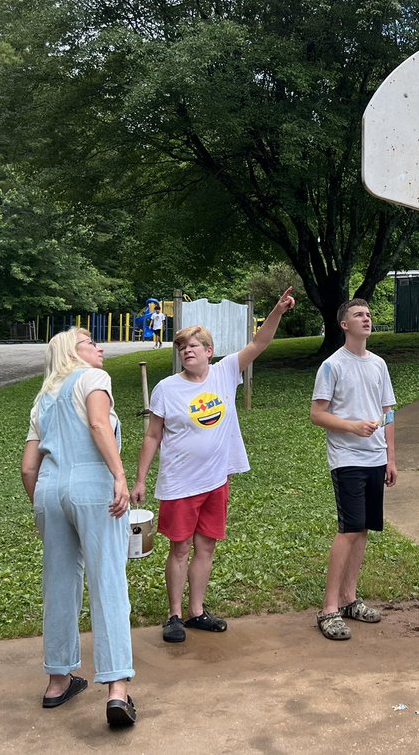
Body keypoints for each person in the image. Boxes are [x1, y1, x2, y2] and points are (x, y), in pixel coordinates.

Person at [131, 287, 296, 643]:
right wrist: (140, 479)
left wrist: (278, 312)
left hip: (215, 480)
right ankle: (174, 616)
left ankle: (196, 611)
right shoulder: (166, 389)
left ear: (209, 351)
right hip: (179, 483)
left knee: (206, 546)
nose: (187, 351)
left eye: (194, 346)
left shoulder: (225, 373)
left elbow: (260, 343)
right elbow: (152, 436)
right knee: (180, 548)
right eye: (182, 348)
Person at [20, 328, 137, 728]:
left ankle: (58, 679)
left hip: (49, 492)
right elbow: (99, 426)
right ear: (74, 352)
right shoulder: (93, 378)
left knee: (59, 584)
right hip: (92, 485)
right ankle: (117, 688)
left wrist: (44, 507)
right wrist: (119, 476)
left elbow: (28, 467)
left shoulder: (43, 399)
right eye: (90, 342)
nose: (98, 348)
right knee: (108, 582)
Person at [311, 299, 396, 641]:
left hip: (376, 459)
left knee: (362, 530)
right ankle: (328, 609)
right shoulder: (332, 366)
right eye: (359, 315)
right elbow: (317, 414)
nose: (367, 319)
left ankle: (349, 599)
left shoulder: (378, 364)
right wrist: (351, 427)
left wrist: (391, 457)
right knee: (348, 529)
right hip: (347, 459)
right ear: (344, 324)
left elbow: (388, 411)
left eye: (369, 314)